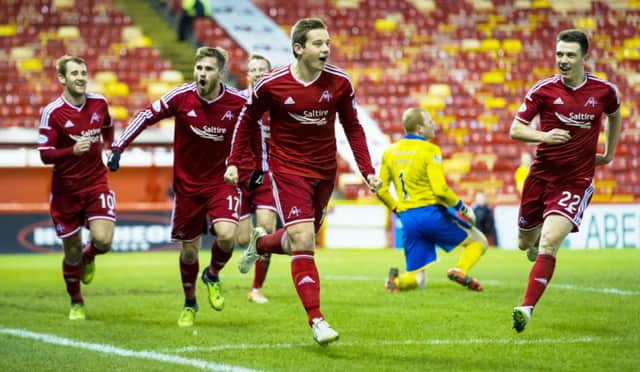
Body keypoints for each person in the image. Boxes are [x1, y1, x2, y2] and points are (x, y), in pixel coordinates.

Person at [224, 18, 381, 345]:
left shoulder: (340, 83)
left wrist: (367, 170)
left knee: (299, 240)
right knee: (303, 238)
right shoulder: (271, 84)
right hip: (287, 169)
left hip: (325, 172)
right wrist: (236, 161)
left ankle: (261, 243)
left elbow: (353, 127)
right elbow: (246, 119)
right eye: (318, 43)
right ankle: (317, 320)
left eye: (327, 43)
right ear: (298, 48)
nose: (326, 49)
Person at [108, 47, 246, 327]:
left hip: (222, 183)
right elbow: (147, 115)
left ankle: (213, 274)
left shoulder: (238, 102)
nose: (202, 74)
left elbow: (257, 131)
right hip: (188, 187)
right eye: (199, 68)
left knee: (227, 235)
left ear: (220, 73)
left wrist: (248, 167)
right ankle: (190, 302)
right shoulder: (181, 96)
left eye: (208, 69)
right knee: (189, 252)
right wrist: (118, 146)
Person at [509, 29, 621, 333]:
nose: (563, 60)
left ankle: (526, 308)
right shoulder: (542, 90)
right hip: (541, 177)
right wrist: (544, 136)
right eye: (559, 54)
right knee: (525, 243)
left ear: (585, 57)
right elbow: (515, 130)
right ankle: (536, 248)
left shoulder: (603, 91)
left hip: (576, 180)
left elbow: (614, 115)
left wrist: (609, 153)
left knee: (549, 243)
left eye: (570, 55)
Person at [376, 107, 488, 293]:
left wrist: (397, 209)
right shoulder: (430, 150)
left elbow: (381, 190)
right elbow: (440, 190)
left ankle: (395, 283)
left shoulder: (390, 152)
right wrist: (462, 207)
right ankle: (460, 270)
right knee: (479, 241)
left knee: (417, 279)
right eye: (429, 122)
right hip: (430, 214)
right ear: (420, 129)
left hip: (408, 219)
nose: (433, 124)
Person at [37, 55, 115, 320]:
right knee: (70, 252)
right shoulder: (52, 112)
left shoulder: (100, 103)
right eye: (74, 73)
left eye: (83, 72)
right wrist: (72, 150)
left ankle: (89, 255)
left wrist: (110, 149)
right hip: (66, 191)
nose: (81, 77)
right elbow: (45, 154)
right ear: (62, 78)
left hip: (96, 183)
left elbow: (108, 128)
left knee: (103, 241)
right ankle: (76, 302)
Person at [237, 54, 278, 304]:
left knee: (267, 228)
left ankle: (256, 289)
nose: (257, 73)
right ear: (247, 75)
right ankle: (253, 243)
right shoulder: (237, 101)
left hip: (267, 175)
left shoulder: (279, 104)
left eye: (262, 69)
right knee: (242, 238)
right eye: (253, 69)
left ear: (269, 73)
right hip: (241, 176)